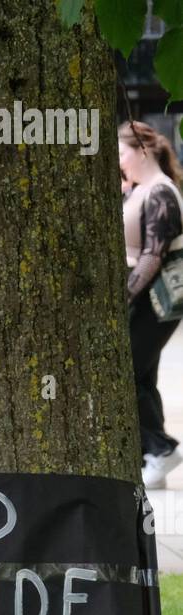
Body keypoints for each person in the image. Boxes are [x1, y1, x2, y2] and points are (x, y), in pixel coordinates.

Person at [118, 120, 183, 489]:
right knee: (142, 375)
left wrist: (124, 296)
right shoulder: (142, 189)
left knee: (128, 372)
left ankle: (160, 449)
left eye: (122, 152)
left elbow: (153, 255)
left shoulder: (162, 192)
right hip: (145, 301)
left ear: (142, 150)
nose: (118, 159)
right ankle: (152, 455)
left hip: (155, 302)